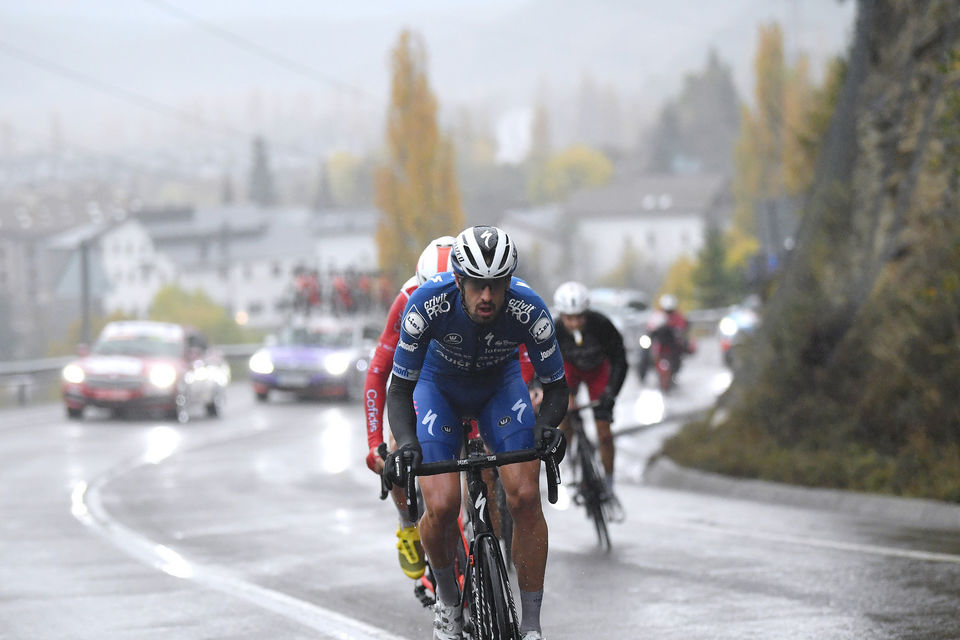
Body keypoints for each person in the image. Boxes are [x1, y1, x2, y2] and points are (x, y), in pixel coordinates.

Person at [384, 225, 568, 640]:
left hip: (498, 389)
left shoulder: (530, 309)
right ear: (459, 280)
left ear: (508, 283)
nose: (487, 296)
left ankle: (533, 625)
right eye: (477, 286)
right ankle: (449, 602)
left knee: (524, 496)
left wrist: (546, 426)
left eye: (496, 285)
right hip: (438, 389)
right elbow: (399, 388)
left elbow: (556, 386)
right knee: (444, 505)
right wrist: (408, 442)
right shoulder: (426, 303)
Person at [364, 236, 456, 581]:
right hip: (419, 385)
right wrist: (375, 444)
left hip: (466, 381)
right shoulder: (405, 301)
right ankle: (408, 525)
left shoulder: (481, 295)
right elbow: (378, 374)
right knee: (397, 455)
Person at [552, 281, 628, 497]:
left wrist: (611, 393)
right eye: (569, 318)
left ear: (587, 313)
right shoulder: (554, 329)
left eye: (580, 317)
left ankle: (609, 481)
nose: (575, 323)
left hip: (597, 371)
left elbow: (620, 360)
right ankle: (570, 464)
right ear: (561, 316)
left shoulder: (601, 325)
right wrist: (558, 397)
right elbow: (544, 365)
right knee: (564, 416)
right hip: (570, 370)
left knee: (604, 431)